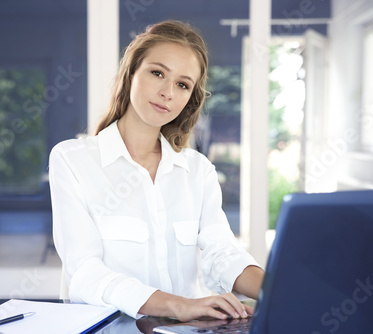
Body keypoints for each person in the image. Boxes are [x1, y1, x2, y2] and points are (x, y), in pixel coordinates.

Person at [49, 20, 264, 322]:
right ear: (131, 73)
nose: (167, 92)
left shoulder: (197, 170)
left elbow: (222, 252)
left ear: (190, 98)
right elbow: (84, 272)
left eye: (182, 84)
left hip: (190, 329)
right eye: (157, 73)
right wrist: (177, 305)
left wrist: (279, 291)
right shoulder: (73, 160)